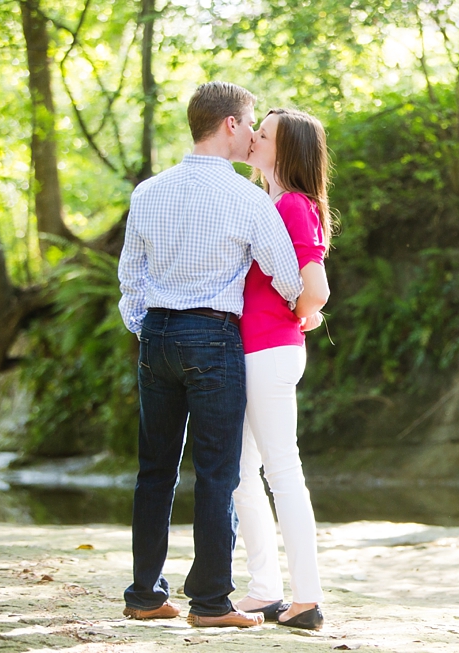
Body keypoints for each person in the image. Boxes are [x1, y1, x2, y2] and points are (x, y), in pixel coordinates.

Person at [117, 82, 306, 628]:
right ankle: (210, 602)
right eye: (249, 124)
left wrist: (149, 327)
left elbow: (131, 278)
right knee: (218, 471)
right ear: (229, 124)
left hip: (156, 335)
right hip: (214, 337)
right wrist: (300, 308)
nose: (251, 135)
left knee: (154, 470)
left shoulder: (147, 192)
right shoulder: (246, 197)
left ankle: (145, 595)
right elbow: (288, 277)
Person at [229, 108, 333, 631]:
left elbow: (317, 290)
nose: (253, 138)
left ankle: (307, 598)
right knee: (243, 475)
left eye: (263, 134)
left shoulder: (292, 205)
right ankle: (266, 590)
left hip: (269, 353)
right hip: (254, 352)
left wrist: (301, 312)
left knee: (281, 472)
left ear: (284, 150)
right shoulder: (269, 203)